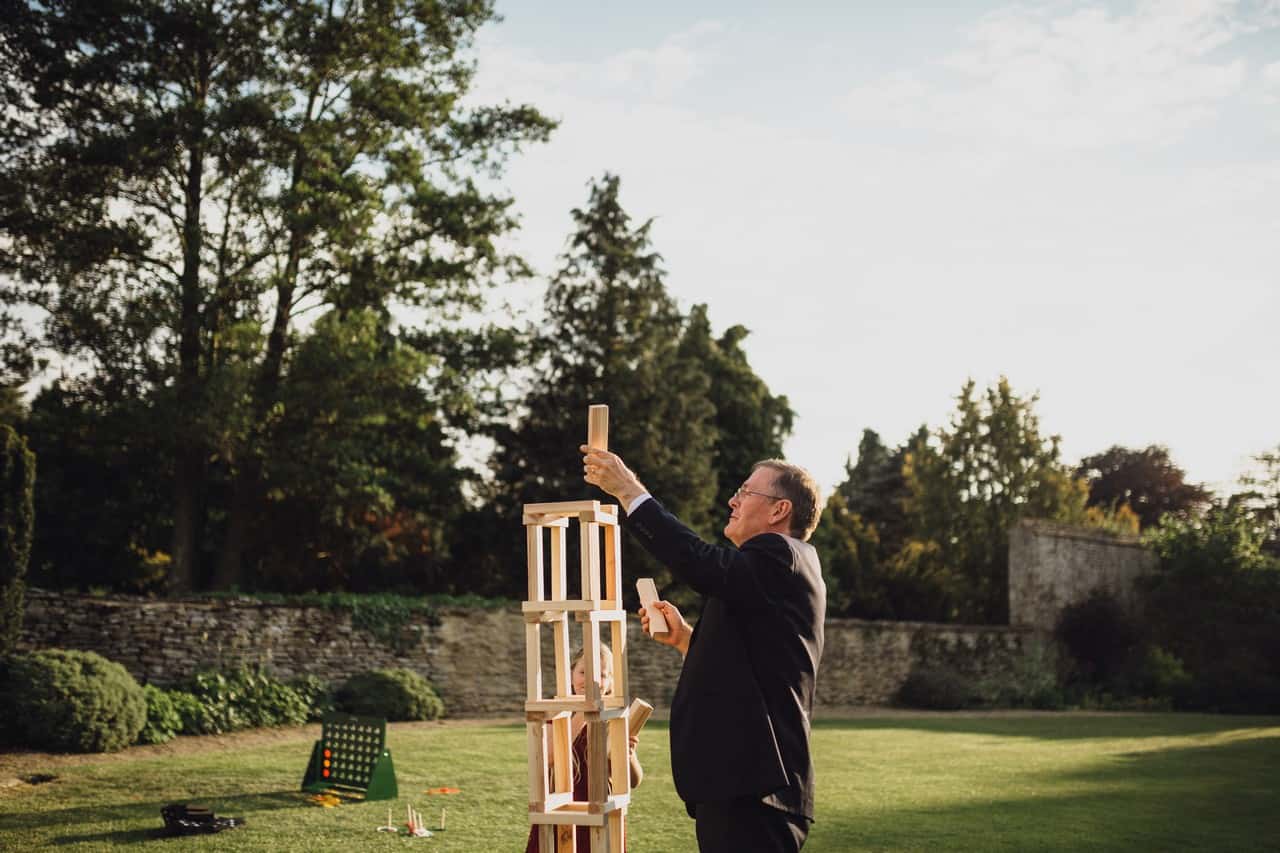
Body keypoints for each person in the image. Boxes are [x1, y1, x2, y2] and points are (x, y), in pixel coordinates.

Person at [581, 446, 826, 853]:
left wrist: (628, 491)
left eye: (747, 492)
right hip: (744, 786)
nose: (733, 500)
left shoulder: (780, 554)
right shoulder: (773, 570)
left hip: (757, 788)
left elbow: (700, 562)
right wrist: (683, 638)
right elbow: (754, 662)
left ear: (779, 510)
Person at [525, 643, 643, 853]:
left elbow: (634, 781)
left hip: (601, 813)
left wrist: (629, 755)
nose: (591, 680)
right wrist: (582, 712)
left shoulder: (613, 719)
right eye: (583, 672)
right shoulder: (558, 713)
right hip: (562, 811)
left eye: (601, 675)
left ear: (610, 682)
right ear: (571, 674)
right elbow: (549, 759)